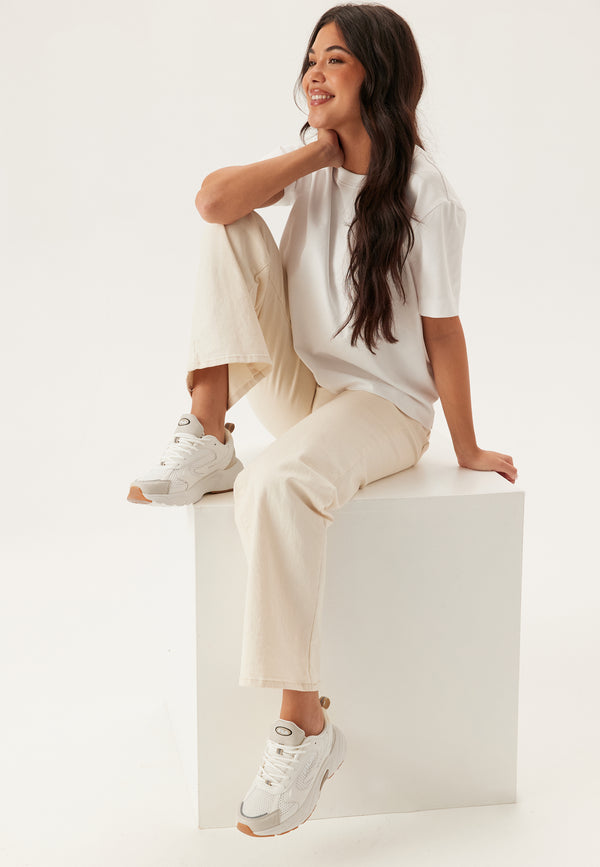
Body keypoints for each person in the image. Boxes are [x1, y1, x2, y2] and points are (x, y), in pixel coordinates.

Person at [128, 3, 518, 838]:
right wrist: (318, 151)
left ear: (379, 73)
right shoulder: (312, 162)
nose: (314, 71)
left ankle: (306, 724)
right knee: (229, 226)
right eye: (311, 58)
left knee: (278, 484)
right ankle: (209, 433)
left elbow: (443, 333)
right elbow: (211, 199)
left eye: (335, 59)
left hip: (385, 406)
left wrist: (467, 445)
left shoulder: (426, 195)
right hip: (304, 384)